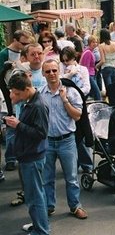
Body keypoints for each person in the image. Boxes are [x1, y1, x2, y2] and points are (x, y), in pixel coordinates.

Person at [39, 59, 88, 219]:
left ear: (59, 71)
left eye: (54, 70)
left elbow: (77, 115)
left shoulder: (71, 91)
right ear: (43, 74)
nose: (52, 74)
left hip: (66, 141)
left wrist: (64, 99)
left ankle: (75, 206)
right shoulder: (40, 94)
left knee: (72, 178)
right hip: (47, 141)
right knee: (47, 178)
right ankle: (48, 207)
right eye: (48, 71)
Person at [5, 71, 50, 235]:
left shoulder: (38, 106)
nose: (13, 96)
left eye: (16, 93)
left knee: (34, 197)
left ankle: (41, 231)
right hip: (28, 157)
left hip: (32, 158)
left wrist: (18, 125)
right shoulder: (31, 102)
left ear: (26, 89)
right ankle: (38, 225)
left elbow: (41, 133)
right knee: (35, 196)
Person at [79, 36, 101, 101]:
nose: (95, 43)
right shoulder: (88, 52)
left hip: (92, 73)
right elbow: (86, 66)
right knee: (97, 92)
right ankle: (99, 104)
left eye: (96, 42)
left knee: (90, 92)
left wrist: (94, 68)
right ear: (89, 43)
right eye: (93, 42)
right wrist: (86, 77)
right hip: (89, 75)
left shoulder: (91, 51)